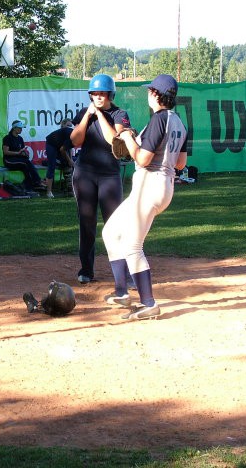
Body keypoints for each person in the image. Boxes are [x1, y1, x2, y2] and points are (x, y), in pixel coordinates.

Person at [101, 74, 188, 320]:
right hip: (163, 186)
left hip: (149, 186)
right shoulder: (180, 122)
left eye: (150, 91)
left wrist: (129, 138)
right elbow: (181, 164)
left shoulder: (159, 119)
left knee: (132, 246)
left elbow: (142, 159)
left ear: (156, 94)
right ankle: (122, 293)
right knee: (111, 232)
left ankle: (148, 303)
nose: (148, 95)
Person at [70, 74, 133, 285]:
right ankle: (86, 270)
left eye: (102, 93)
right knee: (86, 223)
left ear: (110, 94)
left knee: (115, 225)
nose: (97, 97)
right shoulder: (84, 113)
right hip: (85, 174)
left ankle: (123, 273)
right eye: (94, 94)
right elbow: (75, 141)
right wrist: (87, 117)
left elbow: (113, 141)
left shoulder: (119, 114)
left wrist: (99, 114)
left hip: (109, 175)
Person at [2, 121, 46, 192]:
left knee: (26, 165)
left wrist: (24, 154)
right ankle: (37, 181)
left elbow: (21, 151)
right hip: (9, 160)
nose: (21, 129)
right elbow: (6, 152)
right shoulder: (7, 138)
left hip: (18, 159)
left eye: (21, 128)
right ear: (14, 128)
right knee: (26, 163)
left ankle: (29, 186)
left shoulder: (20, 138)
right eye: (20, 128)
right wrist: (18, 153)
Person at [43, 118, 74, 198]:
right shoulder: (61, 133)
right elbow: (62, 150)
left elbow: (69, 148)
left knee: (68, 163)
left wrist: (70, 160)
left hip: (61, 149)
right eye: (67, 126)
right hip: (52, 145)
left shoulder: (70, 133)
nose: (69, 128)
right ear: (62, 125)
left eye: (71, 126)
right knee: (51, 166)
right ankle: (49, 192)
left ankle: (70, 188)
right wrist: (69, 160)